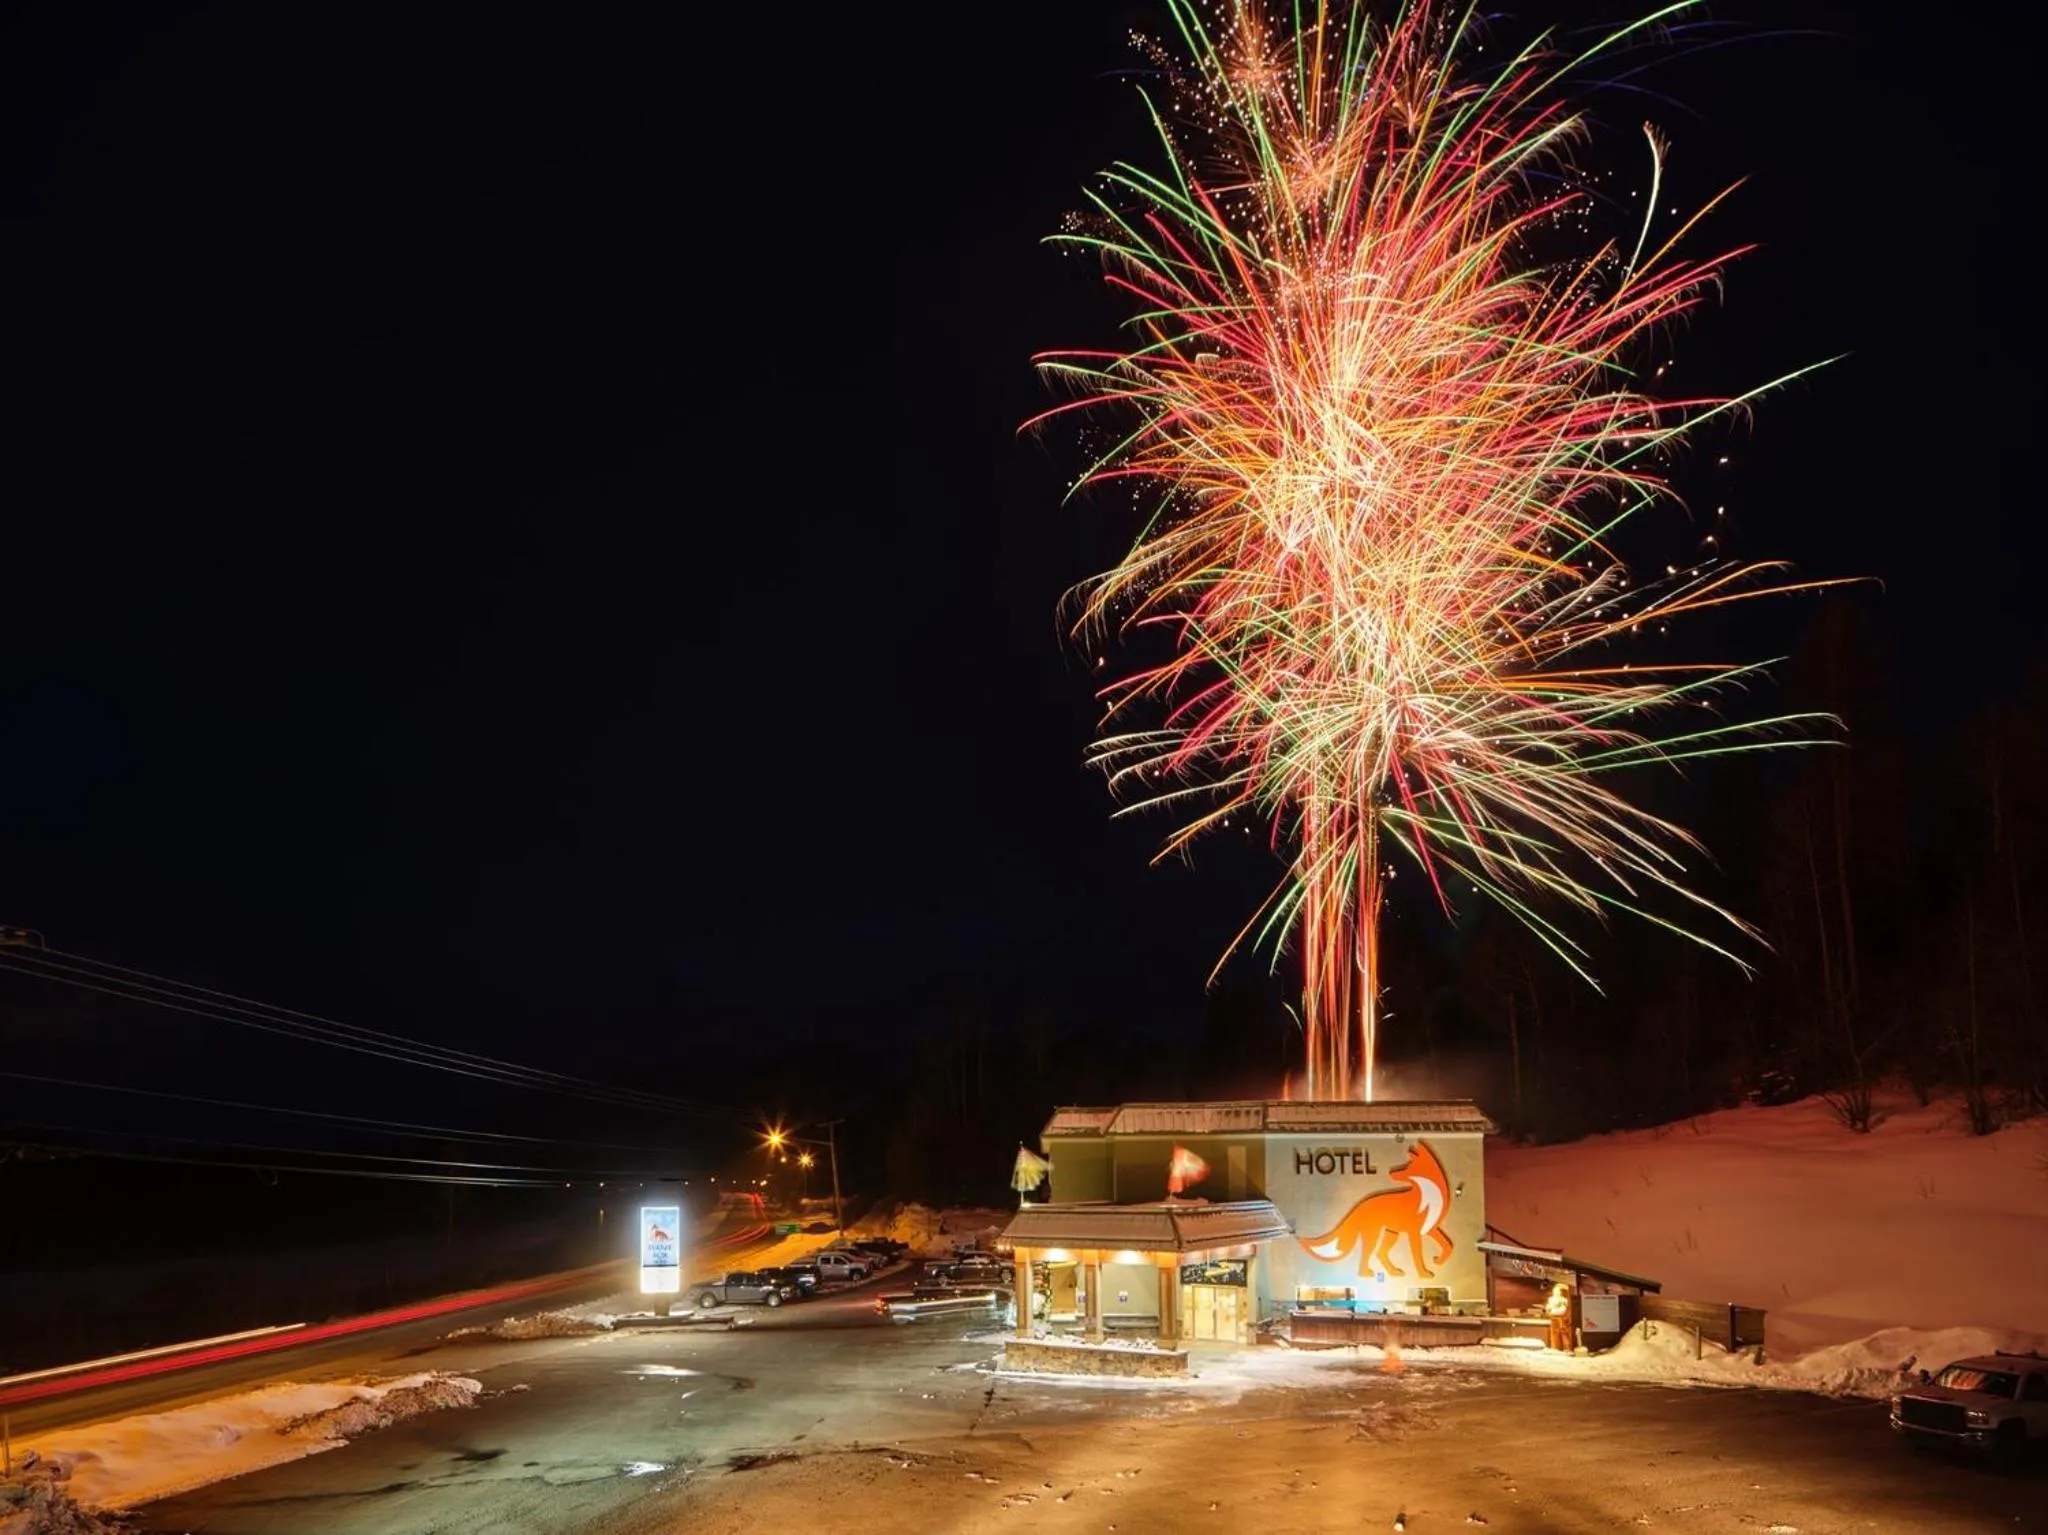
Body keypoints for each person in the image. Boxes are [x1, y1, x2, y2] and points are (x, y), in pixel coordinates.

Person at [1544, 1281, 1574, 1352]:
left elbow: (1566, 1309)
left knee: (1564, 1334)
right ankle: (1555, 1347)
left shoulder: (1564, 1300)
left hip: (1563, 1319)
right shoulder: (1551, 1299)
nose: (1557, 1292)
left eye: (1558, 1291)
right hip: (1554, 1319)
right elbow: (1548, 1308)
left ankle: (1567, 1348)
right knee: (1555, 1334)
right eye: (1555, 1291)